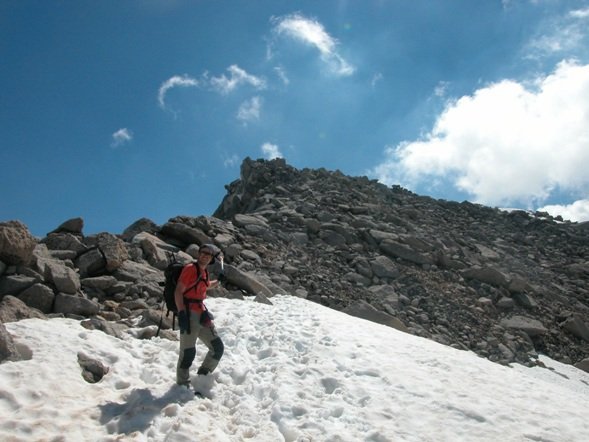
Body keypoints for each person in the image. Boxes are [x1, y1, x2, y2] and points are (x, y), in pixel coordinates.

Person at [175, 243, 224, 387]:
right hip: (189, 314)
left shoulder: (204, 272)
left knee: (217, 347)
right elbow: (178, 291)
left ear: (211, 259)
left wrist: (219, 280)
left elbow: (206, 285)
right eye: (203, 252)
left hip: (202, 314)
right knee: (188, 352)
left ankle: (203, 375)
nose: (205, 256)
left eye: (208, 254)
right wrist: (182, 312)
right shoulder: (190, 269)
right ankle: (182, 385)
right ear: (198, 254)